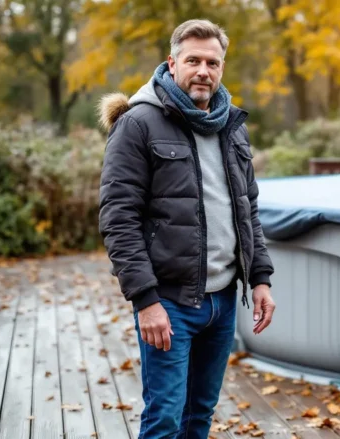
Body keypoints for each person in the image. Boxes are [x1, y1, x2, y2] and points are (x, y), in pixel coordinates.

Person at [96, 18, 276, 439]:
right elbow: (117, 218)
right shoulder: (138, 123)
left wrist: (261, 278)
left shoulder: (231, 124)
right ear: (171, 63)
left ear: (222, 68)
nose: (203, 71)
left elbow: (247, 209)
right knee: (164, 421)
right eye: (193, 60)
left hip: (223, 302)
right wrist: (145, 301)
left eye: (212, 62)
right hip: (170, 303)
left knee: (199, 417)